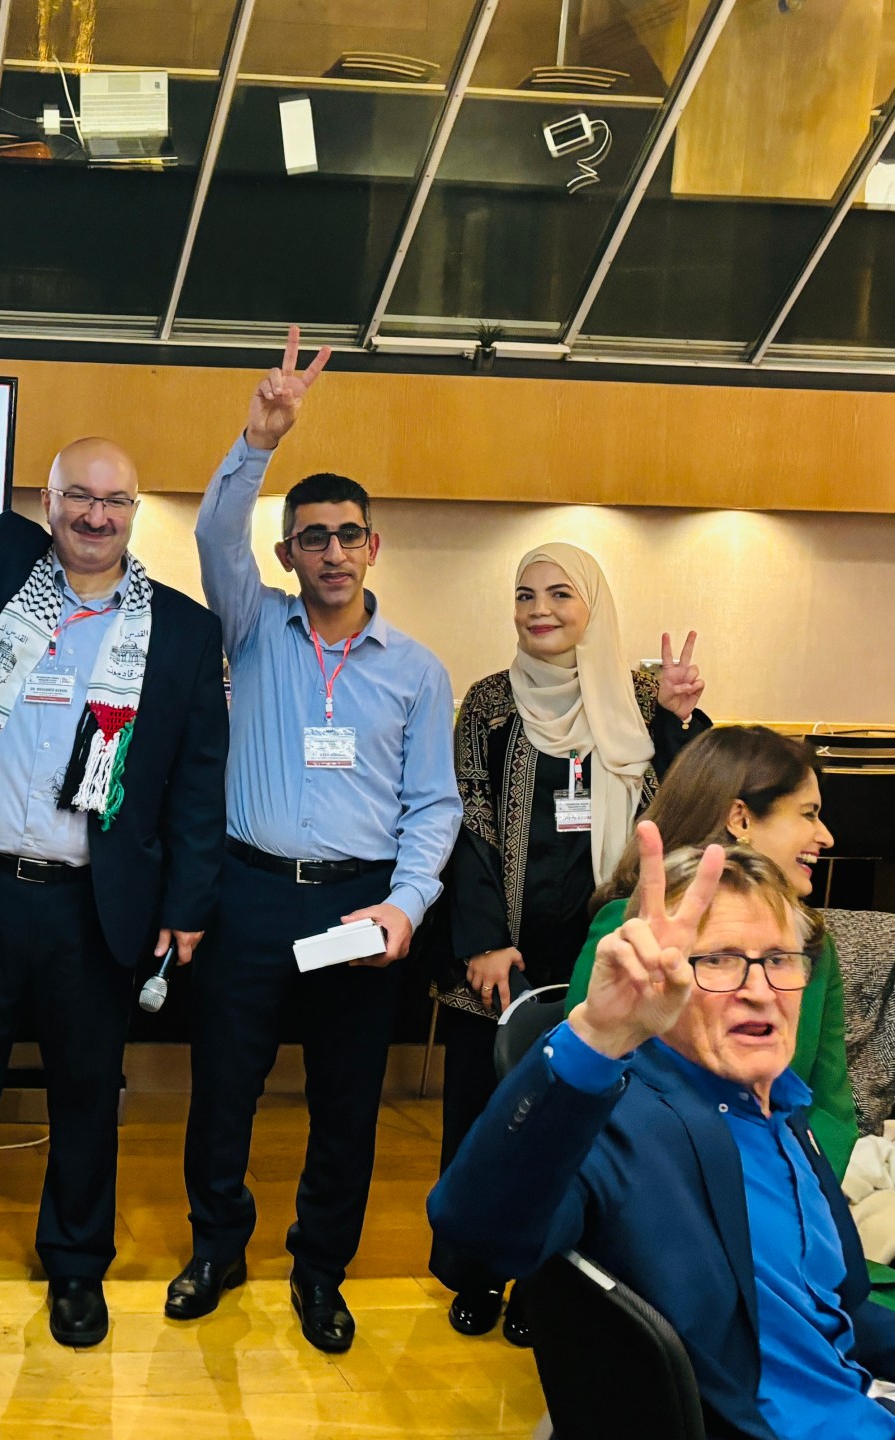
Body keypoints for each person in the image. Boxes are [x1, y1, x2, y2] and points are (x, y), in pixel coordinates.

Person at [0, 298, 229, 1349]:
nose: (96, 515)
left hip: (96, 904)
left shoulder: (182, 631)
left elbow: (196, 780)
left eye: (115, 500)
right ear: (48, 500)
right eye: (78, 495)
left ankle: (77, 1267)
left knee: (87, 1094)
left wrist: (188, 904)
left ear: (135, 512)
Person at [171, 329, 461, 1353]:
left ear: (373, 546)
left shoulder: (417, 671)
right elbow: (215, 536)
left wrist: (407, 905)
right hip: (249, 895)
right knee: (224, 1091)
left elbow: (434, 806)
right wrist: (259, 440)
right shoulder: (253, 628)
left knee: (345, 1104)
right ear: (287, 554)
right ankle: (217, 1248)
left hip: (359, 906)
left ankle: (320, 1269)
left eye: (347, 535)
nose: (331, 552)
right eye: (311, 538)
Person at [431, 825, 895, 1440]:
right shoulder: (624, 1122)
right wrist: (596, 1039)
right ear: (662, 976)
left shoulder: (785, 1110)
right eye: (719, 960)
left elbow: (842, 1308)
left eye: (779, 960)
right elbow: (478, 1238)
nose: (761, 992)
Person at [434, 543, 709, 1341]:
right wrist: (484, 940)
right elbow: (468, 819)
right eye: (525, 595)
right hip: (506, 958)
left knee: (592, 1128)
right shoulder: (490, 703)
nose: (540, 610)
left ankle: (552, 1289)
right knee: (490, 1120)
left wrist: (680, 720)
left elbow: (690, 802)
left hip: (611, 955)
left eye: (560, 594)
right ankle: (477, 1273)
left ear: (594, 606)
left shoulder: (641, 700)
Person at [565, 725, 855, 1173]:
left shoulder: (814, 942)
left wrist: (794, 1190)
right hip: (656, 1181)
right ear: (741, 819)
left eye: (778, 960)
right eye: (808, 813)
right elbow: (589, 1084)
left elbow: (832, 1111)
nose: (826, 836)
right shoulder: (632, 926)